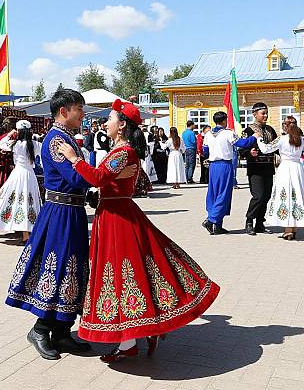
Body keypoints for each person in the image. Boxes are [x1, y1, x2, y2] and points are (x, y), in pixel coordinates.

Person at [58, 99, 220, 362]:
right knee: (126, 274)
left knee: (125, 273)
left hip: (118, 218)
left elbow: (98, 178)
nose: (105, 123)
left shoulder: (124, 152)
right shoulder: (121, 152)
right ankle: (131, 339)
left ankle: (132, 338)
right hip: (112, 214)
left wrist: (74, 158)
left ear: (121, 125)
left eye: (109, 119)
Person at [4, 89, 135, 361]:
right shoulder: (55, 140)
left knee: (75, 269)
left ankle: (63, 331)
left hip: (72, 211)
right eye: (79, 108)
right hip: (60, 213)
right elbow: (76, 179)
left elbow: (79, 179)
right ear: (64, 111)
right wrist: (93, 176)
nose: (83, 113)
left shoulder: (66, 139)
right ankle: (40, 330)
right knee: (60, 265)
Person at [257, 122, 304, 240]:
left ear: (286, 128)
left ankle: (288, 229)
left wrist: (259, 140)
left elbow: (266, 149)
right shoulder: (302, 140)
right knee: (297, 195)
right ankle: (293, 227)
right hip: (298, 168)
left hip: (285, 169)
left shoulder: (282, 139)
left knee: (286, 196)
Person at [0, 120, 42, 241]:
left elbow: (1, 144)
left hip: (18, 175)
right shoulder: (35, 144)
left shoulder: (15, 144)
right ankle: (27, 232)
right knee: (29, 202)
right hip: (30, 175)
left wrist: (9, 134)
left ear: (18, 131)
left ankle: (23, 234)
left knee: (14, 201)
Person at [202, 112, 260, 235]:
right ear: (224, 121)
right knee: (223, 194)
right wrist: (254, 137)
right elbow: (243, 144)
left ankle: (217, 225)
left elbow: (205, 151)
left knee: (214, 193)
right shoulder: (227, 133)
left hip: (213, 166)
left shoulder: (208, 134)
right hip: (224, 165)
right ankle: (211, 220)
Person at [241, 102, 278, 236]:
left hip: (268, 167)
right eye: (263, 113)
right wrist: (249, 152)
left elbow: (276, 146)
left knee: (266, 196)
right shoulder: (248, 131)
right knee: (258, 196)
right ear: (255, 114)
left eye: (267, 113)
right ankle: (249, 221)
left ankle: (259, 223)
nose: (265, 115)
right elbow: (241, 149)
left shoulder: (270, 130)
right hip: (255, 168)